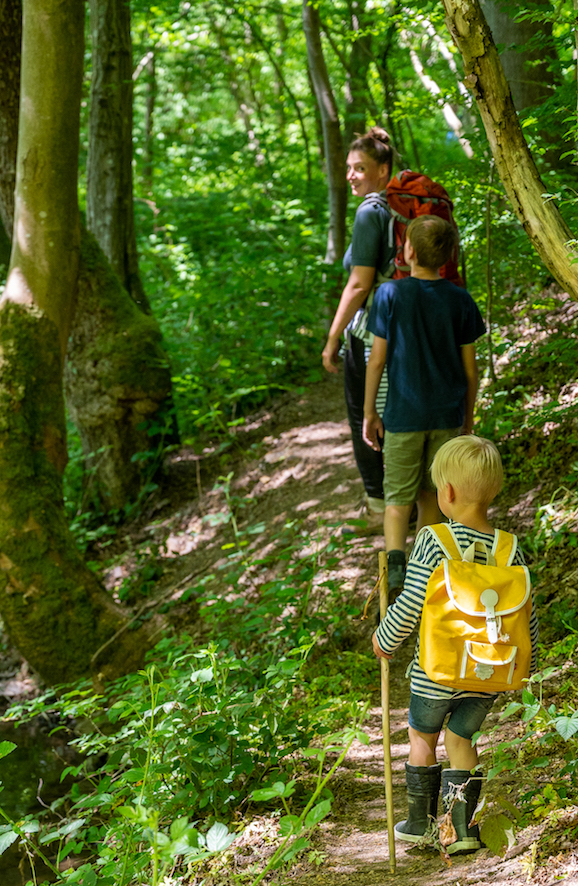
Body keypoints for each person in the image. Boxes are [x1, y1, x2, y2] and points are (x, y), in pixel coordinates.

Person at [372, 436, 538, 854]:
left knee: (422, 737)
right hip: (489, 670)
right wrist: (523, 664)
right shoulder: (509, 547)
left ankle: (419, 823)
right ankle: (460, 831)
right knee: (461, 741)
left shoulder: (434, 540)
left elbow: (411, 603)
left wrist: (385, 638)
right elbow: (524, 616)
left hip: (438, 669)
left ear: (445, 493)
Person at [362, 214, 485, 591]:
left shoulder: (389, 295)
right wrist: (467, 420)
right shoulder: (460, 299)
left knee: (397, 499)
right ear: (448, 256)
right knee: (432, 494)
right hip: (446, 416)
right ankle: (425, 572)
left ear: (408, 250)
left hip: (402, 416)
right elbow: (469, 372)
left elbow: (378, 360)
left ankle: (394, 570)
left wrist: (369, 412)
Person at [322, 127, 397, 527]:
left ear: (383, 170)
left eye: (361, 168)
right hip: (406, 324)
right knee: (394, 412)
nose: (352, 175)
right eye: (349, 168)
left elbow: (359, 283)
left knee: (364, 417)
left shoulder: (371, 211)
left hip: (370, 330)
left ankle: (380, 505)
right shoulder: (400, 208)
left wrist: (333, 338)